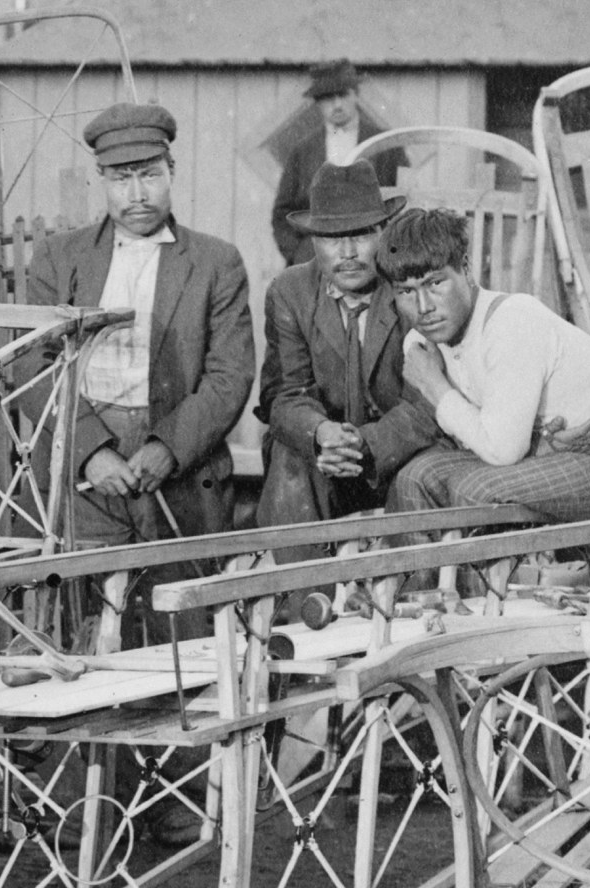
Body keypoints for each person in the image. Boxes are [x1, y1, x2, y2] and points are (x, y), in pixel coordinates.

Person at [27, 101, 256, 554]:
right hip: (80, 460)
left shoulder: (216, 262)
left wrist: (169, 448)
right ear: (101, 180)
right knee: (80, 608)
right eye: (121, 178)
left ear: (172, 172)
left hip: (180, 464)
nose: (137, 195)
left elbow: (229, 375)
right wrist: (89, 451)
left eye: (150, 175)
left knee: (179, 611)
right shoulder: (60, 257)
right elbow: (34, 366)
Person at [377, 205, 590, 523]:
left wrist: (434, 385)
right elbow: (476, 439)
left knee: (476, 490)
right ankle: (423, 576)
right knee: (415, 478)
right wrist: (543, 445)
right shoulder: (421, 346)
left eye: (435, 283)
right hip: (561, 455)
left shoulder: (511, 320)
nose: (424, 307)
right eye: (407, 291)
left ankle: (477, 575)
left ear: (465, 269)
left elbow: (501, 452)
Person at [255, 163, 444, 526]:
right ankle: (301, 584)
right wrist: (321, 434)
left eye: (360, 234)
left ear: (383, 232)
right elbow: (284, 394)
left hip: (396, 451)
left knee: (420, 475)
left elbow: (426, 402)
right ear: (312, 240)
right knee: (291, 455)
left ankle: (408, 582)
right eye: (330, 237)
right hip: (325, 454)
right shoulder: (289, 291)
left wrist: (365, 443)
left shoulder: (409, 286)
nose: (348, 252)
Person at [266, 59, 407, 264]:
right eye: (328, 98)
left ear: (356, 94)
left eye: (343, 95)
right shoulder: (303, 151)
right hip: (316, 258)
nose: (337, 104)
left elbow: (404, 200)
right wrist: (299, 254)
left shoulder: (385, 145)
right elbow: (282, 213)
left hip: (374, 256)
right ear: (318, 103)